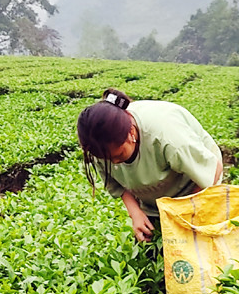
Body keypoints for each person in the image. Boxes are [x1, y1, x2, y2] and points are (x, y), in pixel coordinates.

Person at [78, 88, 224, 243]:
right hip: (154, 198)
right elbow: (117, 186)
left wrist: (186, 211)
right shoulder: (98, 146)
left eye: (119, 155)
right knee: (154, 249)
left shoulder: (168, 137)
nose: (114, 163)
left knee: (199, 245)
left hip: (197, 182)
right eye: (107, 159)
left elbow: (213, 170)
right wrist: (136, 213)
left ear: (130, 133)